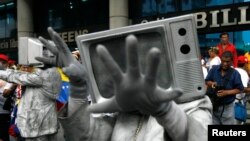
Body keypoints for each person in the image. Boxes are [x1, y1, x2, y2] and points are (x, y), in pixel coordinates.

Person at [36, 27, 212, 141]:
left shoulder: (193, 102)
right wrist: (79, 88)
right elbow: (84, 136)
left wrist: (166, 111)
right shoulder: (122, 110)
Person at [0, 57, 62, 140]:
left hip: (37, 127)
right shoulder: (52, 72)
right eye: (24, 66)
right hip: (43, 124)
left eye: (30, 66)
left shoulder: (43, 75)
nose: (25, 69)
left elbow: (13, 76)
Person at [205, 51, 243, 125]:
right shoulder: (214, 69)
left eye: (227, 61)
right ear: (221, 60)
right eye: (223, 61)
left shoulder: (235, 73)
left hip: (227, 107)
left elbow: (240, 89)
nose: (225, 63)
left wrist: (226, 93)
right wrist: (212, 84)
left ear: (231, 61)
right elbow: (207, 81)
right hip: (214, 105)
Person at [0, 53, 12, 141]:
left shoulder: (11, 74)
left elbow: (6, 93)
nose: (0, 63)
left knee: (4, 135)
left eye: (3, 62)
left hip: (5, 111)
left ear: (7, 63)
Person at [234, 55, 249, 124]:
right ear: (245, 64)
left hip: (229, 100)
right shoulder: (244, 73)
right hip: (237, 102)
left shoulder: (234, 70)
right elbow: (243, 89)